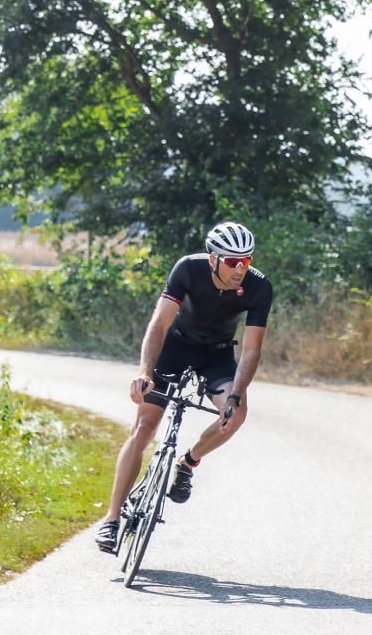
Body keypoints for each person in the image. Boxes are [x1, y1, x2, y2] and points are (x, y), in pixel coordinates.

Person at [95, 220, 273, 552]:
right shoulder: (188, 269)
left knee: (234, 417)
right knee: (144, 428)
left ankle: (187, 462)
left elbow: (251, 350)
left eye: (246, 261)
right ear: (213, 258)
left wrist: (235, 395)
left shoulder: (259, 287)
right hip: (175, 348)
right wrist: (145, 372)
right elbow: (159, 324)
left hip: (217, 355)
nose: (241, 269)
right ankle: (111, 519)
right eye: (233, 261)